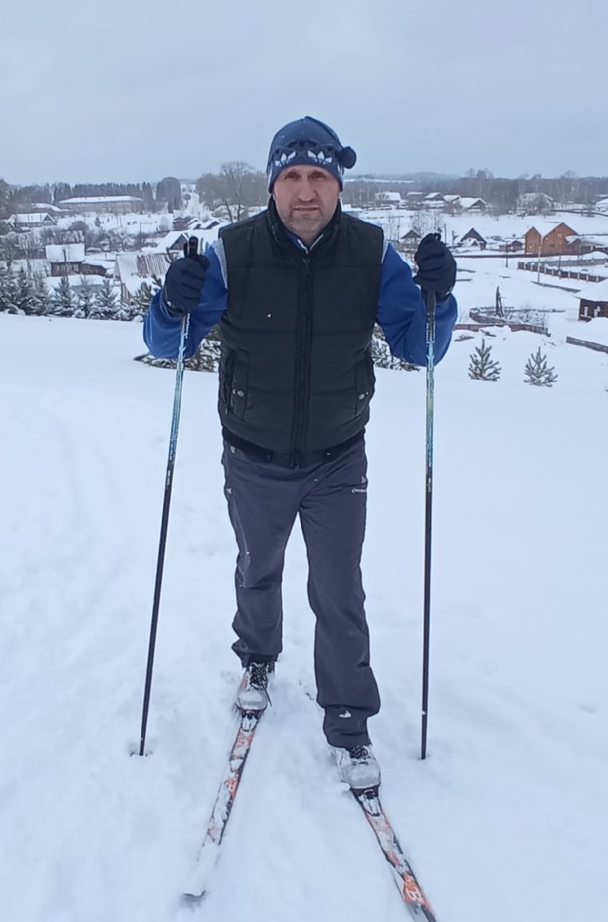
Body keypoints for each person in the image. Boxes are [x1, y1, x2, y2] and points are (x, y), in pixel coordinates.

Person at [143, 116, 458, 789]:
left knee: (339, 591)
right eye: (293, 177)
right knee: (259, 567)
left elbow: (420, 346)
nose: (306, 192)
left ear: (339, 186)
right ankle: (257, 660)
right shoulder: (233, 252)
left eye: (319, 177)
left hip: (338, 457)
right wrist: (171, 302)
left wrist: (439, 298)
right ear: (272, 185)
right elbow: (170, 345)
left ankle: (348, 721)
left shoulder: (373, 255)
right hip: (252, 455)